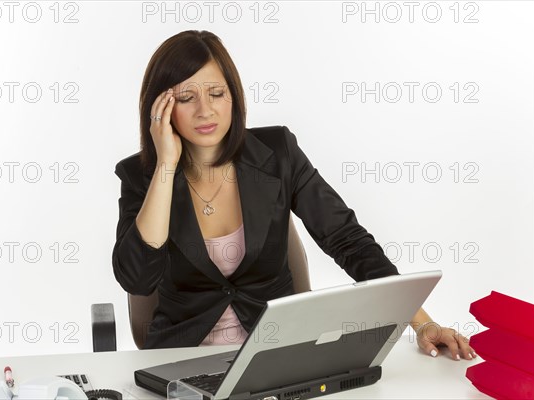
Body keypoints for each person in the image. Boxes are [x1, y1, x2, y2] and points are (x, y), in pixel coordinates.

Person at [112, 30, 476, 359]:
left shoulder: (277, 153)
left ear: (233, 96)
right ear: (161, 108)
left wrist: (423, 323)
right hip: (180, 362)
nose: (205, 110)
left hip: (276, 355)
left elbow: (346, 240)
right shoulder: (140, 176)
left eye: (217, 93)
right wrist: (165, 166)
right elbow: (137, 280)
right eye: (186, 97)